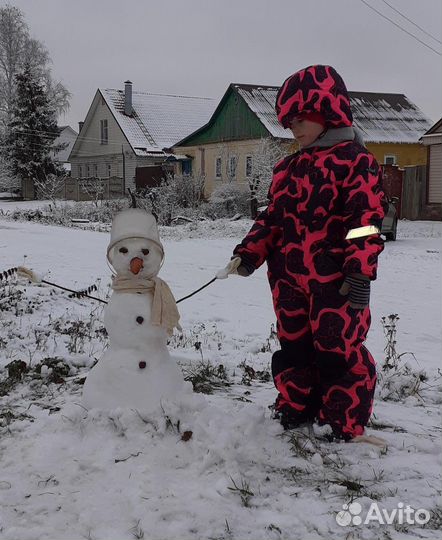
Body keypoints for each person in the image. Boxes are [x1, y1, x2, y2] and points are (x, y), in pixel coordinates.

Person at [223, 65, 386, 441]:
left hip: (335, 282)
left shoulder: (355, 163)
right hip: (288, 279)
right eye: (288, 121)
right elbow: (273, 219)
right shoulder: (288, 168)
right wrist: (248, 253)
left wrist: (359, 272)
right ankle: (297, 407)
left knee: (337, 352)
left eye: (301, 118)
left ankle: (342, 420)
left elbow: (364, 222)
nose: (293, 128)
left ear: (327, 112)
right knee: (294, 347)